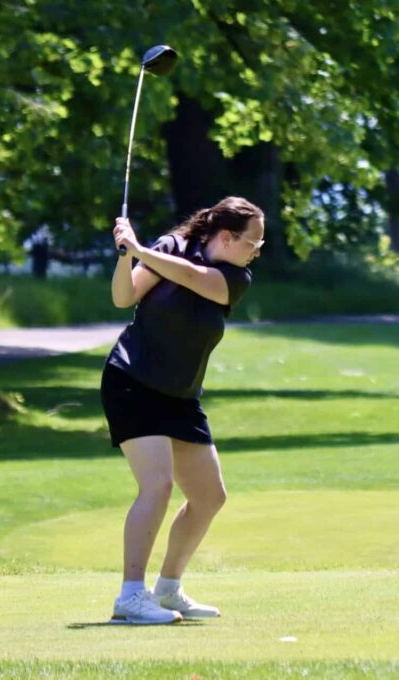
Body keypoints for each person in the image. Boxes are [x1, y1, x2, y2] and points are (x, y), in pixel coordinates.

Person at [101, 196, 264, 625]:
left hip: (181, 396)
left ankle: (168, 589)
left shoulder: (234, 276)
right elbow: (124, 297)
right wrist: (125, 256)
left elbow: (193, 277)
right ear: (227, 236)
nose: (256, 252)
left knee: (210, 496)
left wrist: (139, 250)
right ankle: (130, 596)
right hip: (132, 380)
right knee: (157, 485)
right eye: (253, 243)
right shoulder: (168, 248)